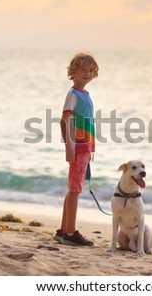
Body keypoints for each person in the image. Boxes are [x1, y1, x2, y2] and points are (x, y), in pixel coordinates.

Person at [53, 53, 99, 246]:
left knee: (73, 189)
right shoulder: (73, 95)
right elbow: (64, 121)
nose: (87, 74)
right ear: (73, 72)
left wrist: (91, 147)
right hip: (78, 148)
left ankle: (63, 231)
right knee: (75, 190)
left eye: (90, 70)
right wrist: (69, 148)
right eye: (83, 70)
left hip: (85, 147)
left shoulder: (84, 94)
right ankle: (71, 233)